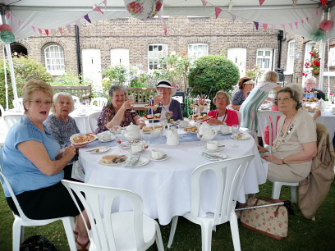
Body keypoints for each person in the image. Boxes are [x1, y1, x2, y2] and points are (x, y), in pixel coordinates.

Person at [1, 80, 90, 250]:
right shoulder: (24, 131)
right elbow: (49, 169)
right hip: (30, 198)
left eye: (48, 102)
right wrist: (68, 156)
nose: (45, 106)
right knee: (91, 196)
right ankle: (82, 243)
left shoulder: (39, 126)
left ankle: (79, 231)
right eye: (38, 101)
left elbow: (47, 156)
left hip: (43, 186)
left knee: (88, 185)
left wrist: (64, 152)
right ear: (26, 104)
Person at [258, 84, 317, 183]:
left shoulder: (303, 118)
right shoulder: (283, 118)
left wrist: (282, 160)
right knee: (248, 159)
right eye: (279, 99)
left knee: (249, 165)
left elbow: (311, 152)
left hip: (294, 168)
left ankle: (241, 198)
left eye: (286, 98)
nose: (281, 102)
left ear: (295, 101)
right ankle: (243, 197)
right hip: (278, 160)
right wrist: (266, 149)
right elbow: (282, 144)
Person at [44, 92, 88, 180]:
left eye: (68, 103)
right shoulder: (51, 122)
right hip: (66, 164)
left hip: (79, 159)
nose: (65, 105)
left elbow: (79, 138)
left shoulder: (70, 120)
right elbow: (56, 151)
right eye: (61, 102)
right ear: (54, 105)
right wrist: (74, 147)